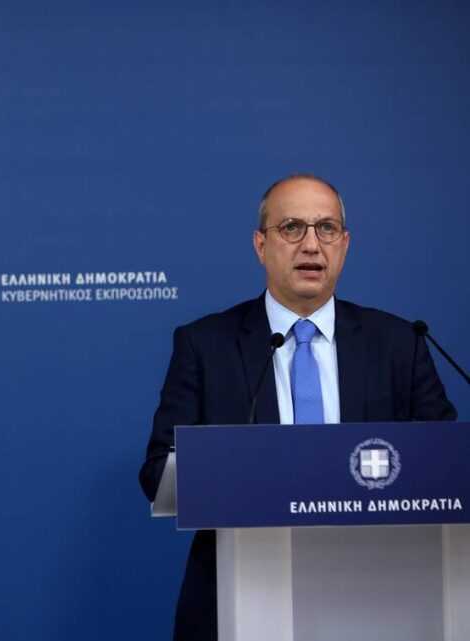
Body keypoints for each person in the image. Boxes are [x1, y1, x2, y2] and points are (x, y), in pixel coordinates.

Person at [138, 174, 458, 641]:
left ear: (345, 245)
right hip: (243, 591)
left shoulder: (398, 343)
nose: (311, 244)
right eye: (291, 228)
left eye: (326, 228)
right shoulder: (206, 344)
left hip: (381, 593)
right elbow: (157, 472)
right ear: (260, 245)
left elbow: (448, 462)